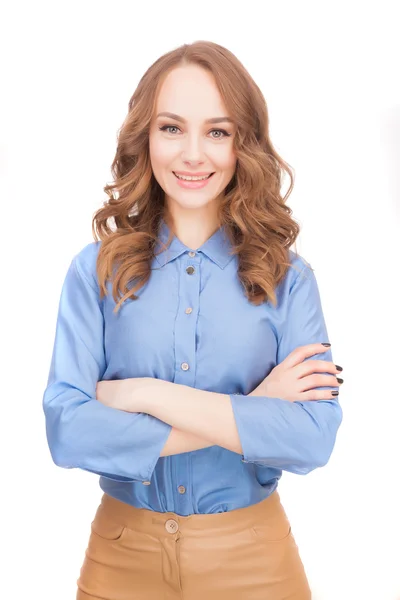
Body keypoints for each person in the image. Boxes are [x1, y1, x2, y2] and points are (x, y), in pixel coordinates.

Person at [42, 40, 344, 600]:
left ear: (243, 144)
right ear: (145, 137)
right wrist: (256, 411)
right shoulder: (96, 273)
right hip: (120, 557)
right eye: (172, 128)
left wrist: (138, 393)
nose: (193, 155)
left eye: (218, 131)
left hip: (255, 561)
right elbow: (67, 431)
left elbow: (312, 439)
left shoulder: (288, 278)